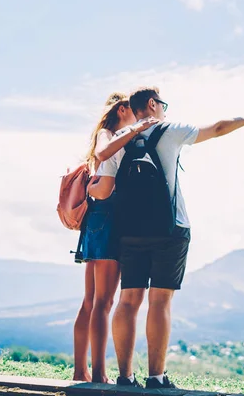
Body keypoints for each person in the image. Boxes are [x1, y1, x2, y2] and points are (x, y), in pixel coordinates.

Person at [93, 85, 244, 389]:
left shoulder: (118, 141)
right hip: (170, 228)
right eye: (163, 104)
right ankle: (156, 377)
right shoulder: (169, 130)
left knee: (128, 300)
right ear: (153, 104)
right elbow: (215, 128)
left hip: (129, 231)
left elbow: (105, 190)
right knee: (160, 301)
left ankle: (125, 377)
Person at [72, 92, 156, 383]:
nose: (136, 116)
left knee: (90, 301)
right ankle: (97, 374)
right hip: (109, 219)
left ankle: (81, 369)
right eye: (132, 111)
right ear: (123, 110)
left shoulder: (110, 134)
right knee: (103, 302)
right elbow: (105, 184)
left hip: (97, 219)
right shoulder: (111, 134)